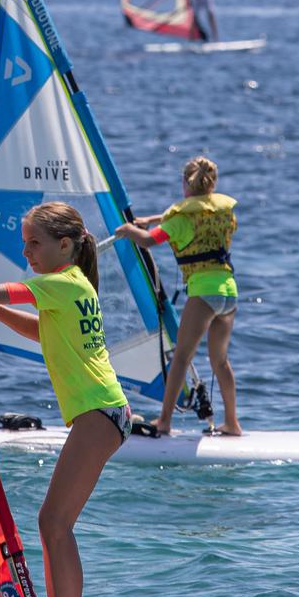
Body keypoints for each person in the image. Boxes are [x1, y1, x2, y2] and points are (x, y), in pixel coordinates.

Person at [0, 202, 128, 597]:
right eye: (25, 241)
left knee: (54, 524)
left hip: (99, 413)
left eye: (34, 242)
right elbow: (40, 331)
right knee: (52, 525)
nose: (25, 250)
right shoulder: (72, 287)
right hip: (105, 412)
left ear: (64, 246)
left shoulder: (60, 282)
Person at [115, 156, 241, 437]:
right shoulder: (223, 212)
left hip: (204, 294)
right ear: (212, 184)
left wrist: (128, 230)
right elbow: (194, 213)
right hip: (229, 292)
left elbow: (149, 240)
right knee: (220, 361)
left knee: (181, 357)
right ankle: (232, 422)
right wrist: (152, 219)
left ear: (185, 183)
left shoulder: (179, 221)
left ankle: (165, 421)